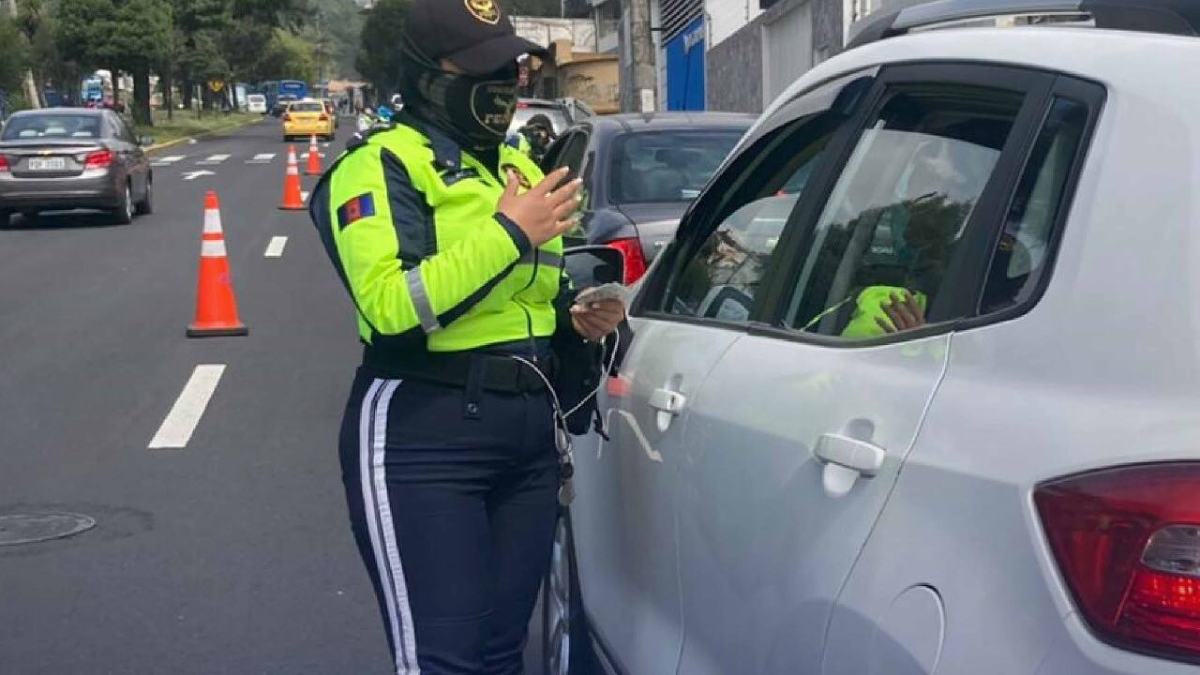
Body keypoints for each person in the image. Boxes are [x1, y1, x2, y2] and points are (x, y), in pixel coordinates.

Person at [307, 0, 625, 673]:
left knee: (503, 654)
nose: (504, 83)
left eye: (509, 66)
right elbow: (391, 305)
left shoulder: (519, 168)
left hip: (527, 440)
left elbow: (528, 299)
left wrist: (575, 322)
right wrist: (511, 231)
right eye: (482, 69)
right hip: (425, 434)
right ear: (429, 74)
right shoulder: (379, 166)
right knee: (444, 661)